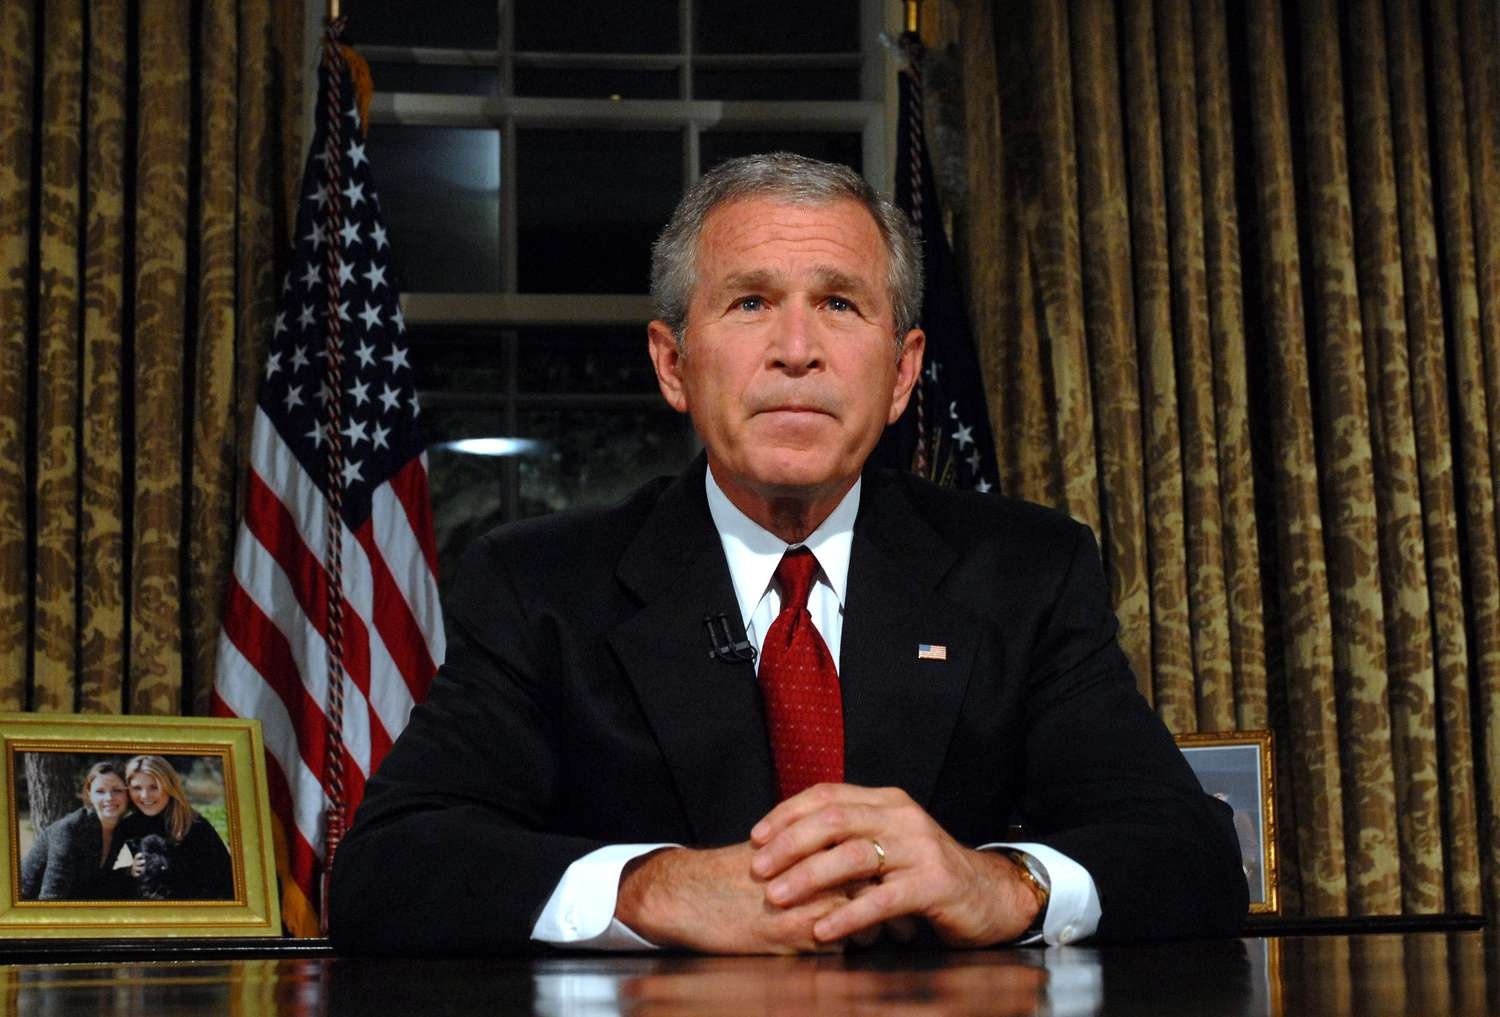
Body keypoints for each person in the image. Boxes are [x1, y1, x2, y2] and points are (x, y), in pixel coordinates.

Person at [330, 153, 1248, 955]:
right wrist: (653, 888)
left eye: (840, 304)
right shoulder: (541, 587)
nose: (797, 351)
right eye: (751, 302)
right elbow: (387, 868)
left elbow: (1192, 853)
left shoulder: (1026, 574)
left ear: (902, 372)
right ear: (673, 364)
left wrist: (1002, 884)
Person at [121, 755, 236, 900]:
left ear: (170, 787)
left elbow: (224, 884)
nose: (145, 796)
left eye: (154, 787)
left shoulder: (195, 826)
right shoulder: (126, 827)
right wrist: (126, 872)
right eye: (137, 788)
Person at [20, 761, 138, 901]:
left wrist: (129, 871)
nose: (109, 798)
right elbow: (51, 897)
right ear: (89, 794)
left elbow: (100, 882)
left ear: (127, 794)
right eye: (100, 791)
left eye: (117, 790)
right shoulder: (69, 830)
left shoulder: (122, 829)